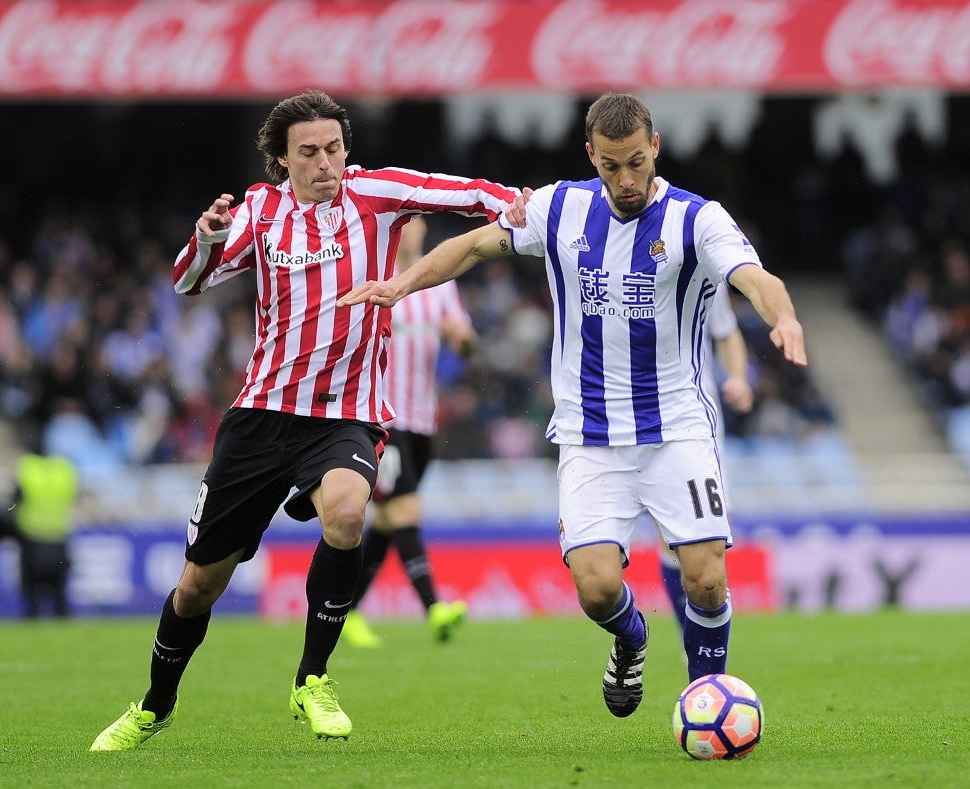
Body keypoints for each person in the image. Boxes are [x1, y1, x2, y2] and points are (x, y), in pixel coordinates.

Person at [340, 92, 807, 719]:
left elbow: (755, 278)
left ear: (655, 147)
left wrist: (784, 318)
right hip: (590, 436)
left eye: (636, 162)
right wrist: (401, 285)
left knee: (705, 576)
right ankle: (632, 639)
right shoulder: (560, 208)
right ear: (591, 155)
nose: (626, 179)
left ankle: (704, 696)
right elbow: (473, 246)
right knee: (596, 589)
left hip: (677, 428)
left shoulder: (697, 220)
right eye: (611, 166)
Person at [90, 89, 519, 750]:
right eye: (310, 152)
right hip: (262, 414)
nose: (326, 163)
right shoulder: (260, 211)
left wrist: (520, 204)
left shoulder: (376, 193)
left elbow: (460, 192)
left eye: (334, 149)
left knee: (347, 514)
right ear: (282, 161)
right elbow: (188, 281)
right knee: (198, 585)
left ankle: (312, 679)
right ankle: (155, 703)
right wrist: (207, 238)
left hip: (347, 413)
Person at [340, 216, 474, 649]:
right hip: (384, 421)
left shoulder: (441, 285)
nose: (409, 229)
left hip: (422, 424)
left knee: (386, 521)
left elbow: (468, 345)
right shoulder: (373, 279)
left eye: (414, 220)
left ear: (423, 229)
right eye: (403, 220)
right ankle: (434, 608)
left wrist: (461, 339)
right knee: (405, 510)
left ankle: (346, 611)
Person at [657, 285, 753, 635]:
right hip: (634, 423)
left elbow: (726, 331)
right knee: (669, 538)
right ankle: (689, 636)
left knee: (704, 536)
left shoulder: (706, 270)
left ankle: (697, 641)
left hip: (696, 423)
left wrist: (738, 379)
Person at [13, 451, 80, 618]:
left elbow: (16, 498)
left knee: (31, 593)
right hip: (58, 536)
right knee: (59, 591)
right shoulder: (65, 469)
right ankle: (62, 623)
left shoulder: (27, 467)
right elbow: (74, 495)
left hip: (32, 536)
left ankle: (33, 620)